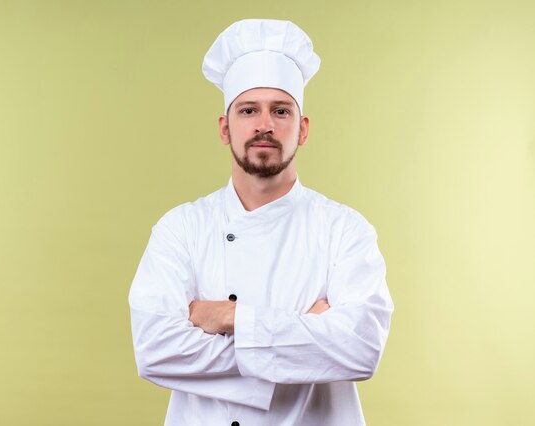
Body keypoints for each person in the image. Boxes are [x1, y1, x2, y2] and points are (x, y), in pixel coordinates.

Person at [129, 19, 394, 426]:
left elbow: (360, 348)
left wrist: (232, 318)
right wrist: (306, 335)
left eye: (281, 110)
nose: (264, 124)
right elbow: (155, 350)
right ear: (225, 128)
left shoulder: (345, 230)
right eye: (248, 110)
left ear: (302, 129)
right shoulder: (180, 228)